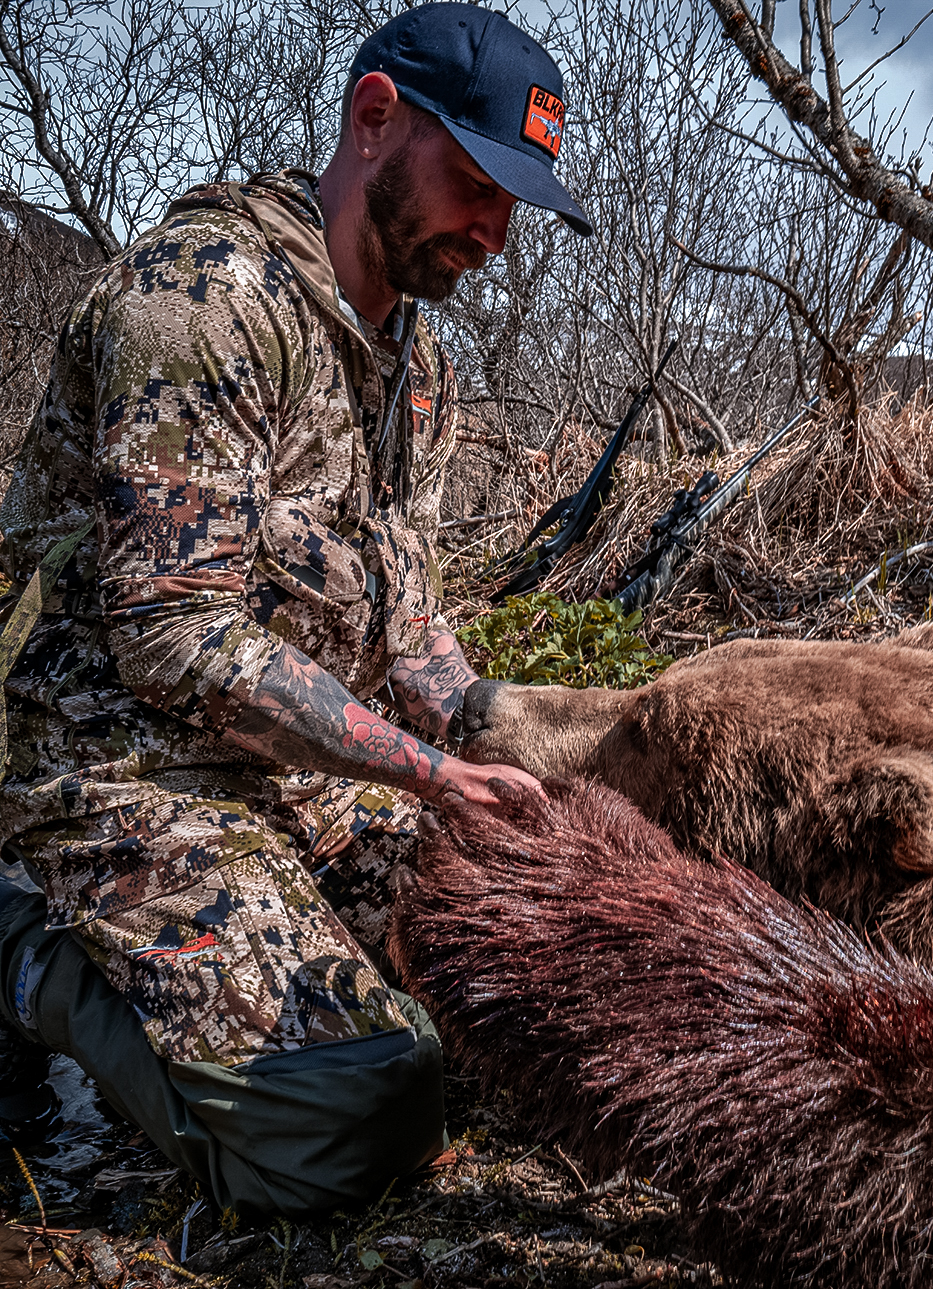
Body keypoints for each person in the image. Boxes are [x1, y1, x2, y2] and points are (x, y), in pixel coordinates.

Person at [0, 2, 591, 1216]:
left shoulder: (414, 366)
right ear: (374, 121)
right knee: (354, 1106)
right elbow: (174, 634)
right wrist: (428, 774)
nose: (495, 231)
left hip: (292, 774)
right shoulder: (201, 301)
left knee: (505, 990)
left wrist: (499, 756)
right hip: (114, 767)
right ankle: (22, 943)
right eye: (477, 181)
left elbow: (410, 617)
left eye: (515, 201)